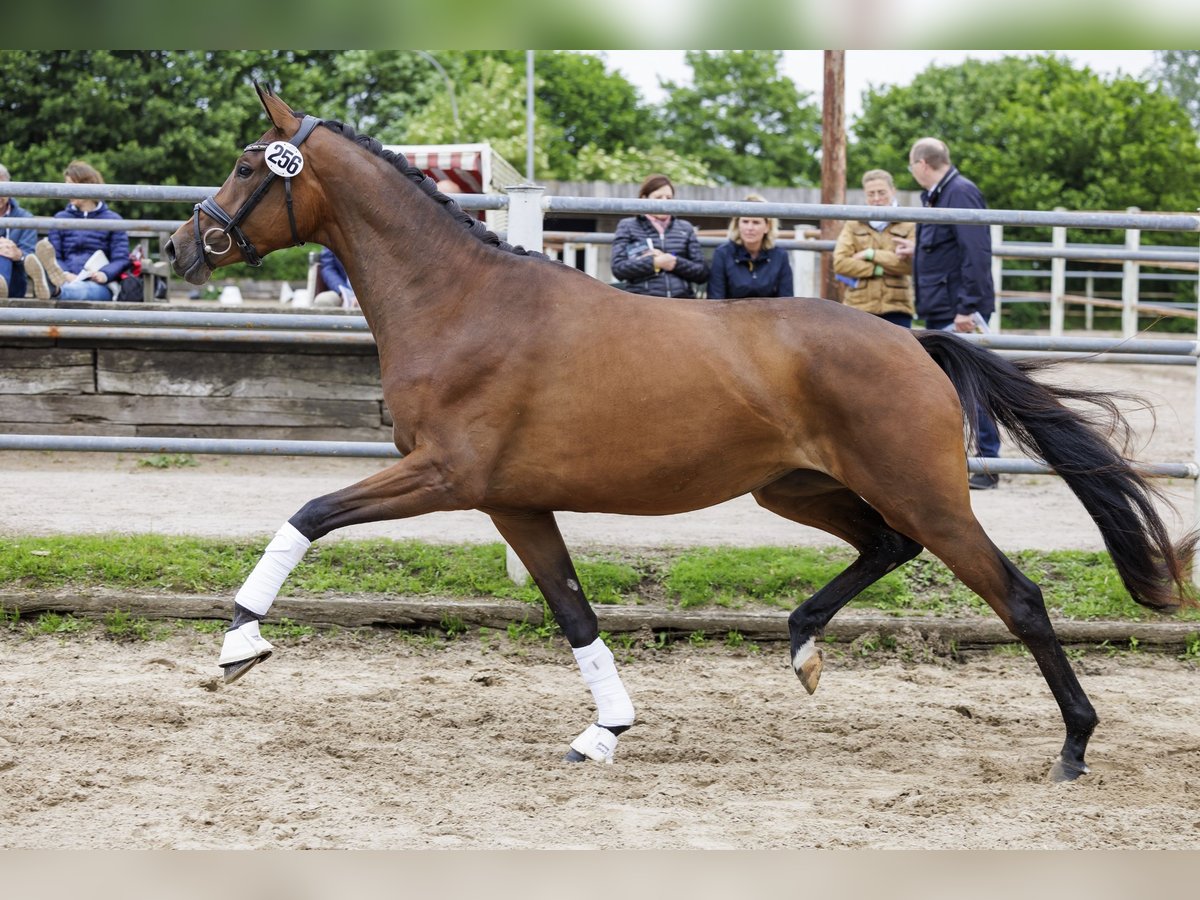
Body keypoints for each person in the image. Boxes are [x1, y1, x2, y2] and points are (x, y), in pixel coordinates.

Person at [895, 137, 1001, 489]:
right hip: (943, 304)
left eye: (912, 167)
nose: (913, 173)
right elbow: (951, 247)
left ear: (922, 164)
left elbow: (975, 253)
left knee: (971, 385)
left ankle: (987, 463)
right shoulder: (943, 194)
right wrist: (917, 251)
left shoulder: (959, 193)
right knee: (949, 387)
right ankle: (958, 462)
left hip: (957, 308)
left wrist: (967, 307)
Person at [24, 160, 130, 302]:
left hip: (98, 284)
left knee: (84, 290)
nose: (68, 191)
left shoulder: (113, 219)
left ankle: (53, 290)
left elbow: (121, 258)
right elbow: (55, 255)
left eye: (73, 186)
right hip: (66, 277)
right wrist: (66, 273)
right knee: (68, 281)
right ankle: (54, 284)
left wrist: (104, 274)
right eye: (67, 186)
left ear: (89, 185)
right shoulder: (60, 218)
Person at [832, 170, 915, 328]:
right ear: (865, 195)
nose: (876, 199)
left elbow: (909, 266)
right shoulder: (853, 224)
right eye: (871, 194)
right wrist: (879, 268)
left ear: (893, 191)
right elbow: (840, 263)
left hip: (897, 306)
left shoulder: (909, 223)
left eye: (881, 193)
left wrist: (870, 254)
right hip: (858, 306)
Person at [610, 173, 708, 298]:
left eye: (669, 198)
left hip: (682, 302)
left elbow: (702, 273)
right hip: (643, 302)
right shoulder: (628, 226)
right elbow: (618, 269)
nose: (664, 202)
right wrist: (655, 262)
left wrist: (675, 262)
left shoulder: (685, 227)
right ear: (644, 198)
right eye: (658, 197)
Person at [707, 194, 793, 300]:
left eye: (756, 222)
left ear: (767, 226)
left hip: (769, 315)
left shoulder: (780, 256)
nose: (750, 228)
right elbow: (715, 299)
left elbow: (786, 301)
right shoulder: (722, 254)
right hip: (730, 315)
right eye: (745, 221)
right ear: (737, 224)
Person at [0, 163, 37, 299]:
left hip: (14, 284)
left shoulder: (25, 218)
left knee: (5, 252)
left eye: (3, 188)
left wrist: (18, 254)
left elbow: (32, 258)